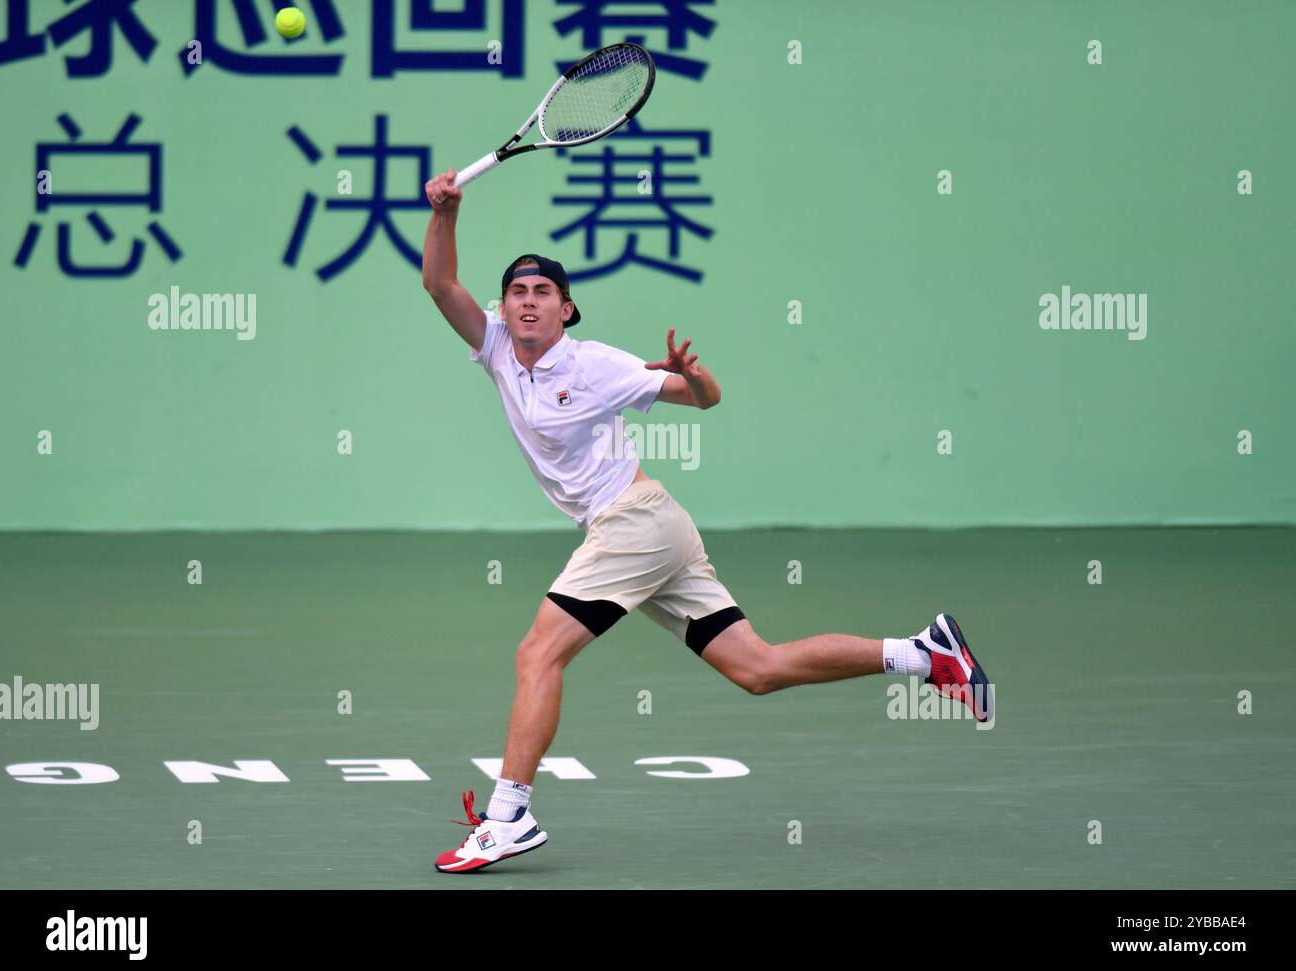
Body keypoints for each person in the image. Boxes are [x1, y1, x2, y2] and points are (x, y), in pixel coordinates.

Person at [420, 168, 993, 874]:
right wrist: (446, 213)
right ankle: (924, 652)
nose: (529, 303)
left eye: (544, 293)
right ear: (502, 309)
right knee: (759, 669)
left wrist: (695, 374)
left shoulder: (596, 365)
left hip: (632, 523)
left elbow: (703, 400)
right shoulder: (500, 351)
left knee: (539, 654)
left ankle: (509, 817)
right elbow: (441, 286)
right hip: (655, 533)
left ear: (567, 311)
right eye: (518, 292)